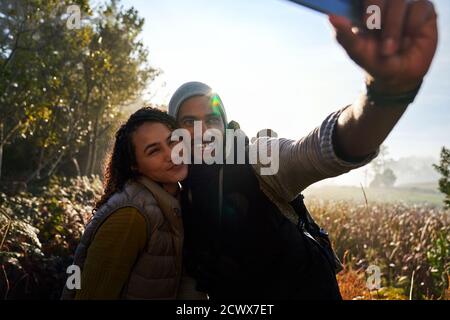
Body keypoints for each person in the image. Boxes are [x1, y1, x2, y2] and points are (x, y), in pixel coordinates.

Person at [167, 0, 438, 299]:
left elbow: (314, 153)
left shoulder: (256, 158)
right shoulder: (177, 187)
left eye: (212, 119)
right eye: (188, 121)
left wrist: (386, 94)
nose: (202, 131)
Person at [61, 107, 205, 299]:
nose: (172, 154)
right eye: (154, 151)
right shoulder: (130, 215)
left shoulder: (175, 201)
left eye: (173, 141)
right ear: (134, 165)